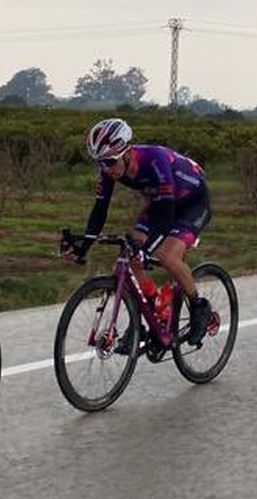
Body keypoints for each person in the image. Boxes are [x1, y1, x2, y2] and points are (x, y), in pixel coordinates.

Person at [63, 118, 213, 345]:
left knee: (167, 256)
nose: (106, 169)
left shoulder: (155, 160)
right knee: (126, 260)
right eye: (100, 163)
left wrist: (146, 248)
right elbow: (100, 209)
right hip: (160, 202)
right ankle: (151, 309)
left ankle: (199, 307)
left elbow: (166, 216)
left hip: (192, 203)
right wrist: (84, 245)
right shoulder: (110, 168)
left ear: (126, 152)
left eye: (110, 162)